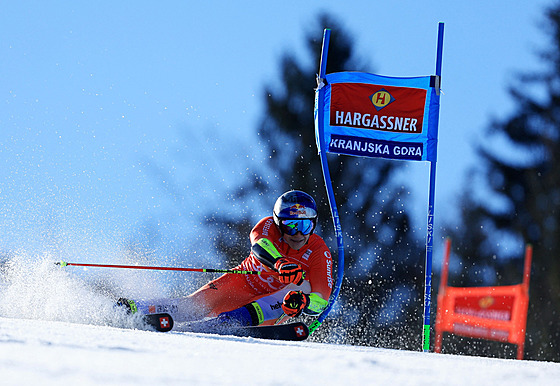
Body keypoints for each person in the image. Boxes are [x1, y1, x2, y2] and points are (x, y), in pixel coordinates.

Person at [118, 190, 333, 330]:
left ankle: (221, 324)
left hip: (270, 305)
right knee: (192, 306)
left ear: (313, 224)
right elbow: (260, 246)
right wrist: (279, 263)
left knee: (303, 286)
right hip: (242, 283)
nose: (298, 234)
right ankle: (134, 309)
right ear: (278, 223)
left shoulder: (318, 252)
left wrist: (303, 303)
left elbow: (321, 300)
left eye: (305, 226)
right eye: (290, 225)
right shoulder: (267, 226)